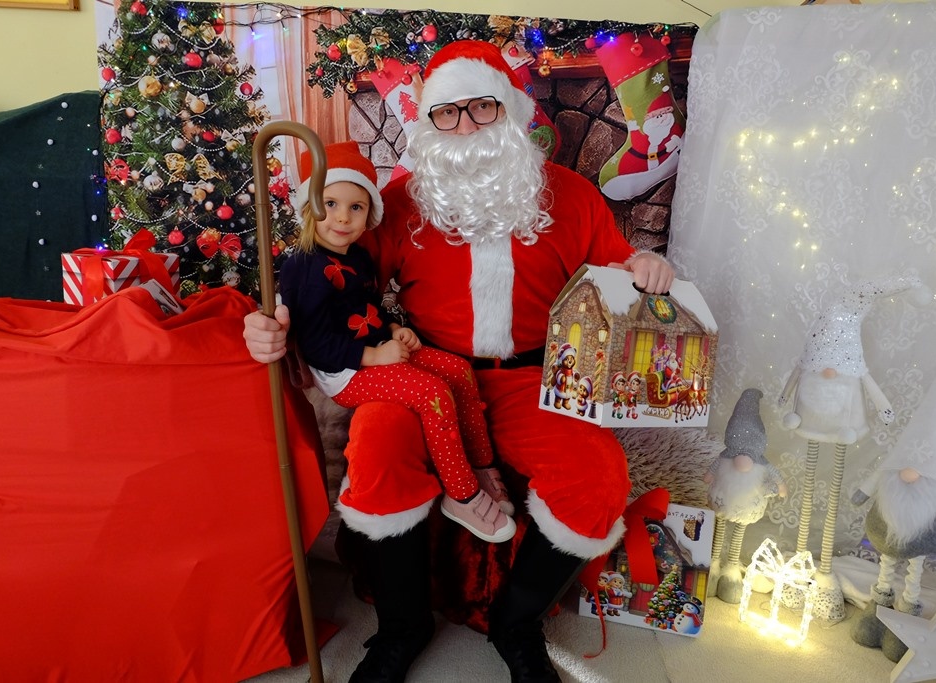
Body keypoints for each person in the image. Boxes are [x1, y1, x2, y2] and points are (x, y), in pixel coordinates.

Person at [244, 39, 675, 683]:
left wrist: (645, 264)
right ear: (429, 123)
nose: (467, 127)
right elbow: (332, 279)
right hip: (423, 369)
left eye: (482, 107)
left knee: (598, 475)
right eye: (448, 113)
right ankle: (402, 625)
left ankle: (516, 622)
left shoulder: (572, 195)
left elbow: (618, 265)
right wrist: (271, 322)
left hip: (532, 378)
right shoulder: (400, 201)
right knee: (378, 449)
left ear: (511, 110)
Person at [281, 140, 515, 543]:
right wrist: (374, 355)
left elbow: (370, 304)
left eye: (356, 207)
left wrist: (392, 329)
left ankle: (480, 464)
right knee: (432, 393)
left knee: (457, 370)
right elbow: (317, 345)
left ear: (368, 214)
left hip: (378, 349)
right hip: (344, 372)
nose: (343, 217)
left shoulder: (357, 257)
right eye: (330, 204)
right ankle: (461, 494)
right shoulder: (302, 267)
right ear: (309, 207)